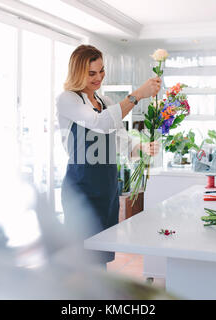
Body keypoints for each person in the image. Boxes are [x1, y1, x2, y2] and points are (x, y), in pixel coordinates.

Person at [56, 44, 161, 265]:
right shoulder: (68, 99)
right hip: (81, 189)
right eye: (91, 73)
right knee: (82, 255)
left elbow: (119, 139)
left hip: (107, 187)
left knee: (100, 255)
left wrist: (141, 147)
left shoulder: (107, 103)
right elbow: (99, 123)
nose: (99, 77)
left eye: (101, 70)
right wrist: (136, 96)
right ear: (77, 72)